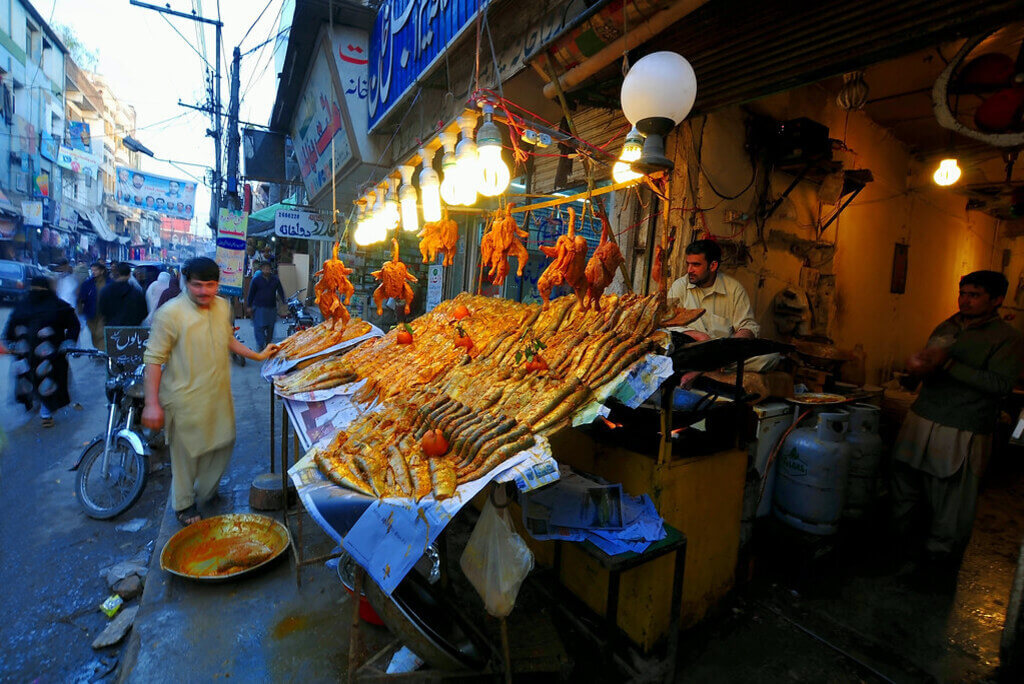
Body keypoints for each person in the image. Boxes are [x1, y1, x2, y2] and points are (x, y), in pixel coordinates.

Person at [892, 270, 1024, 576]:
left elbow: (1000, 385)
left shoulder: (1007, 338)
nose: (965, 300)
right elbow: (928, 366)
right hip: (922, 418)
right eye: (962, 293)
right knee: (905, 488)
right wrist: (914, 372)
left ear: (997, 300)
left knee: (950, 501)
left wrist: (950, 364)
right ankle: (901, 551)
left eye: (974, 295)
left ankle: (938, 565)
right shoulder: (948, 326)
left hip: (961, 427)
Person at [142, 257, 278, 525]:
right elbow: (154, 360)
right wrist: (151, 403)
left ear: (218, 284)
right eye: (197, 285)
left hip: (217, 393)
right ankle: (184, 504)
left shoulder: (222, 306)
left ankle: (206, 490)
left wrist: (258, 355)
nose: (204, 291)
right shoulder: (170, 313)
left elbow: (227, 339)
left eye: (210, 285)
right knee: (186, 454)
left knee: (224, 442)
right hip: (182, 397)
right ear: (186, 282)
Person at [3, 276, 81, 427]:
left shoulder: (24, 306)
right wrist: (69, 341)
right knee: (45, 383)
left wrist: (68, 341)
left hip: (40, 356)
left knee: (40, 382)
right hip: (44, 356)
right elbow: (74, 325)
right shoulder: (58, 305)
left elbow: (10, 328)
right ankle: (44, 412)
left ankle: (42, 411)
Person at [245, 261, 285, 350]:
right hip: (259, 307)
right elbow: (251, 293)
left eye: (268, 268)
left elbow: (281, 291)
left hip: (271, 307)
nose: (266, 270)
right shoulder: (256, 280)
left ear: (270, 269)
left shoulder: (275, 280)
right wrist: (249, 305)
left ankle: (268, 344)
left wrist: (284, 301)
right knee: (259, 327)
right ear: (261, 269)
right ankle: (260, 345)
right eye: (264, 268)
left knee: (270, 327)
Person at [99, 261, 147, 326]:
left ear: (115, 274)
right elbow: (143, 313)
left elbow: (102, 311)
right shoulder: (136, 293)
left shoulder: (105, 291)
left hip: (111, 328)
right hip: (132, 329)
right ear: (129, 275)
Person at [77, 261, 107, 349]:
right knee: (94, 334)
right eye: (92, 270)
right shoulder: (87, 284)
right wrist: (80, 311)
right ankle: (97, 349)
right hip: (91, 313)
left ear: (102, 271)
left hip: (104, 314)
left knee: (100, 334)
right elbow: (81, 298)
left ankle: (101, 351)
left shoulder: (109, 283)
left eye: (96, 270)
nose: (93, 272)